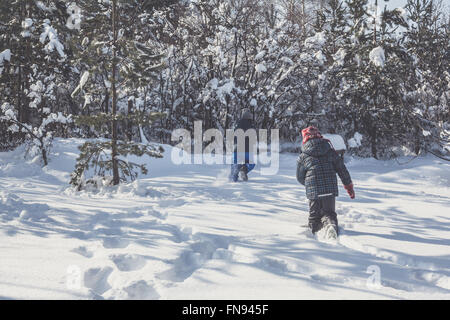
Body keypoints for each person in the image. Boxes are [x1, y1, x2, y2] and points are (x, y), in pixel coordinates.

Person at [296, 126, 355, 237]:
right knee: (329, 213)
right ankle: (331, 225)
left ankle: (313, 229)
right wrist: (349, 186)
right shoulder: (330, 151)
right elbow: (342, 170)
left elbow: (299, 176)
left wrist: (309, 184)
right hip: (330, 188)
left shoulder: (303, 156)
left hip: (313, 190)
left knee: (314, 216)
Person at [230, 108, 256, 182]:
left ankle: (233, 178)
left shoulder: (237, 125)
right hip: (247, 149)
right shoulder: (251, 126)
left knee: (235, 163)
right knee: (251, 164)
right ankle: (244, 169)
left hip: (237, 148)